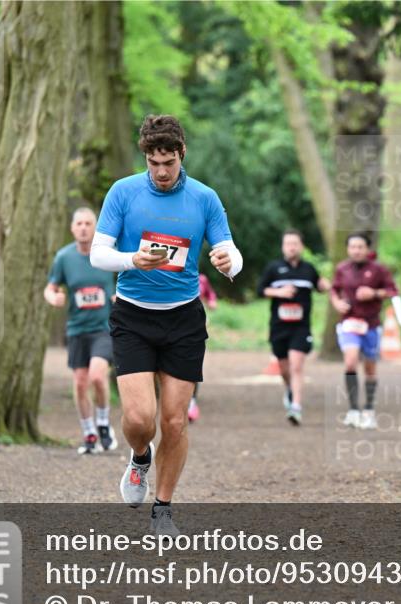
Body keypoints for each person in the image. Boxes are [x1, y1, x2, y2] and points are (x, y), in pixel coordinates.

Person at [90, 115, 242, 535]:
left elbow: (229, 248)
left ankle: (163, 508)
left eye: (168, 163)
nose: (160, 172)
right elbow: (98, 254)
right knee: (141, 419)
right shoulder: (123, 193)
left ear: (182, 155)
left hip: (183, 319)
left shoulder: (204, 198)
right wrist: (132, 260)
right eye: (153, 163)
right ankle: (140, 458)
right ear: (145, 157)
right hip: (133, 314)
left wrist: (230, 262)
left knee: (175, 422)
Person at [44, 207, 117, 455]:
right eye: (80, 224)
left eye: (89, 223)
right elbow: (50, 287)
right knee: (79, 383)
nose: (84, 228)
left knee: (98, 376)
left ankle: (104, 423)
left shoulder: (107, 255)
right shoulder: (64, 258)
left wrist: (121, 296)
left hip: (103, 328)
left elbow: (127, 278)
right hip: (77, 329)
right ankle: (89, 432)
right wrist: (53, 297)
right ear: (72, 228)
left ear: (95, 227)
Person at [257, 230, 330, 425]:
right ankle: (290, 389)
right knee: (284, 368)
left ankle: (296, 407)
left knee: (297, 365)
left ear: (301, 246)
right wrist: (279, 292)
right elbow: (260, 290)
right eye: (288, 243)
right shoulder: (274, 268)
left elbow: (320, 286)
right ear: (283, 247)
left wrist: (325, 286)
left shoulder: (309, 269)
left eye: (295, 243)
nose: (291, 247)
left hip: (301, 327)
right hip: (279, 326)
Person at [330, 232, 398, 430]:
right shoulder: (342, 269)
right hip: (349, 323)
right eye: (352, 247)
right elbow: (334, 289)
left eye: (360, 247)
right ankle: (353, 410)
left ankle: (368, 411)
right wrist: (336, 302)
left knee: (370, 369)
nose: (356, 250)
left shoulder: (379, 269)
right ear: (347, 249)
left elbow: (393, 291)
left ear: (367, 249)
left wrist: (374, 293)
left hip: (371, 324)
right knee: (350, 362)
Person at [187, 273, 218, 423]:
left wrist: (212, 302)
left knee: (193, 363)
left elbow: (211, 295)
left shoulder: (202, 279)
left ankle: (191, 401)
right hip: (169, 323)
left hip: (196, 325)